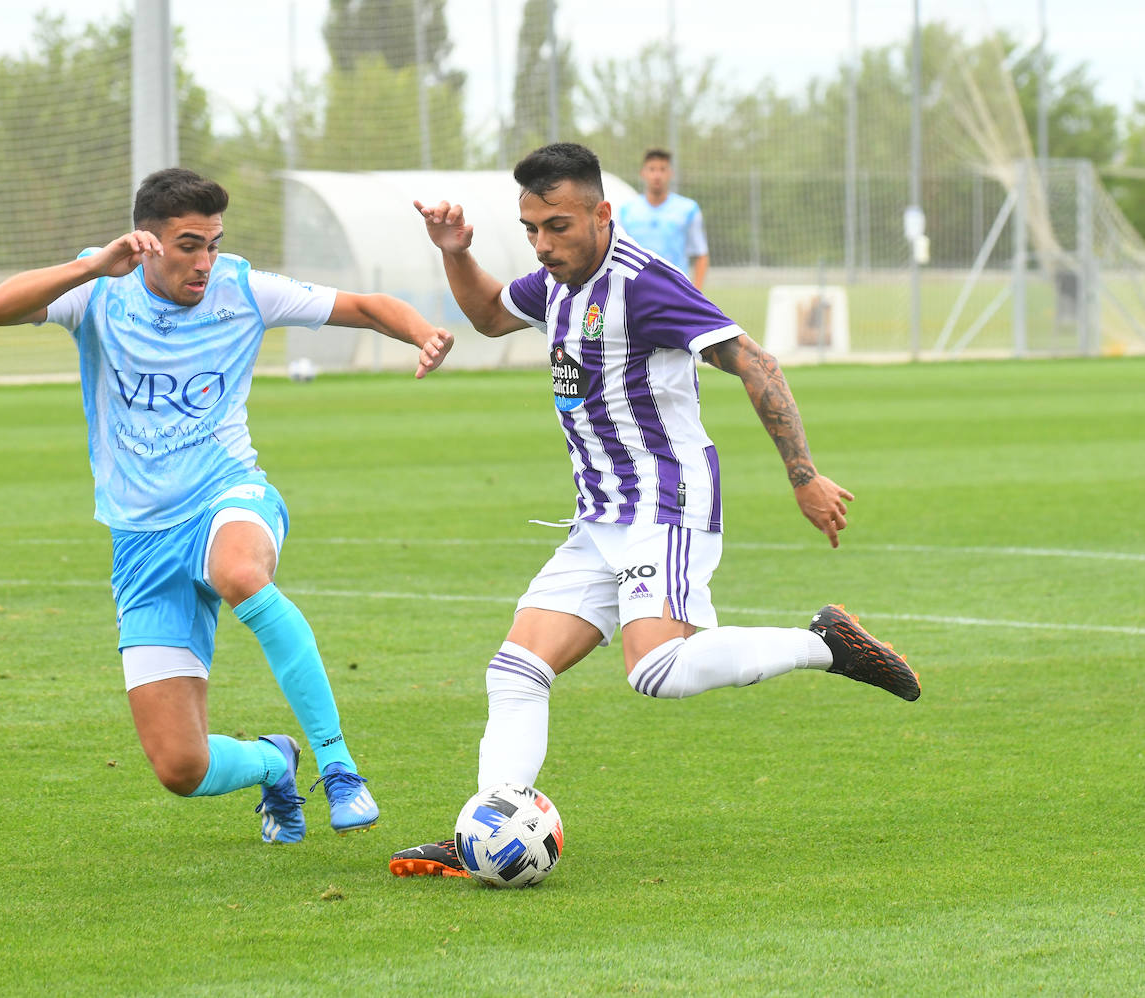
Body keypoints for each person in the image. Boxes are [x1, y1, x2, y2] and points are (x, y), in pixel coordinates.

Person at [390, 143, 918, 879]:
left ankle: (826, 643)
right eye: (532, 228)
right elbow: (484, 313)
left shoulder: (644, 286)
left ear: (603, 215)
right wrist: (455, 252)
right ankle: (495, 824)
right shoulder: (555, 284)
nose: (544, 245)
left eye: (559, 227)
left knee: (657, 670)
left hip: (664, 500)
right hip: (598, 516)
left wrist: (804, 476)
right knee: (515, 671)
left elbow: (755, 361)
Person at [0, 167, 453, 844]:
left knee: (239, 573)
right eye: (188, 245)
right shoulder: (100, 289)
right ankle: (275, 763)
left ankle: (339, 766)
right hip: (142, 542)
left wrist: (422, 333)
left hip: (228, 494)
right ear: (145, 241)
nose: (204, 261)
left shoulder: (241, 289)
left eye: (213, 242)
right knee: (180, 766)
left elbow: (368, 305)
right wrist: (94, 267)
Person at [618, 147, 709, 288]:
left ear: (671, 173)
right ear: (643, 173)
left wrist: (696, 292)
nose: (657, 175)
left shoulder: (688, 208)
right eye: (652, 169)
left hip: (675, 288)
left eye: (662, 169)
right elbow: (619, 253)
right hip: (636, 289)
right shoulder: (626, 210)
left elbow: (701, 253)